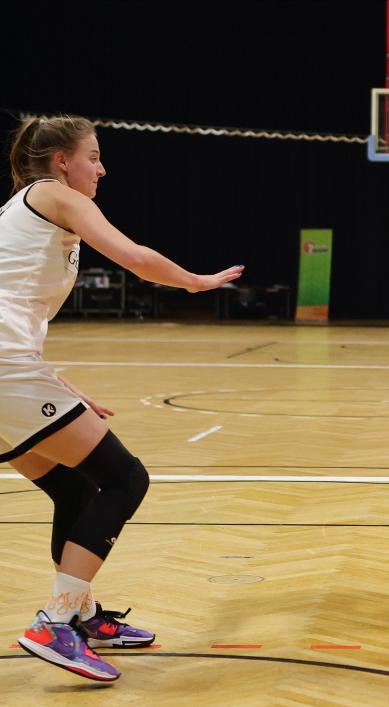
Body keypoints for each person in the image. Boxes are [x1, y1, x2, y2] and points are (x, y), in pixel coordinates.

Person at [1, 115, 244, 680]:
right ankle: (54, 623)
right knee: (125, 478)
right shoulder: (54, 195)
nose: (102, 168)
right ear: (61, 161)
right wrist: (197, 282)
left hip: (13, 372)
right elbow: (133, 256)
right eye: (93, 157)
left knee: (74, 487)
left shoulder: (23, 208)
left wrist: (62, 386)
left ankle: (81, 615)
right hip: (8, 373)